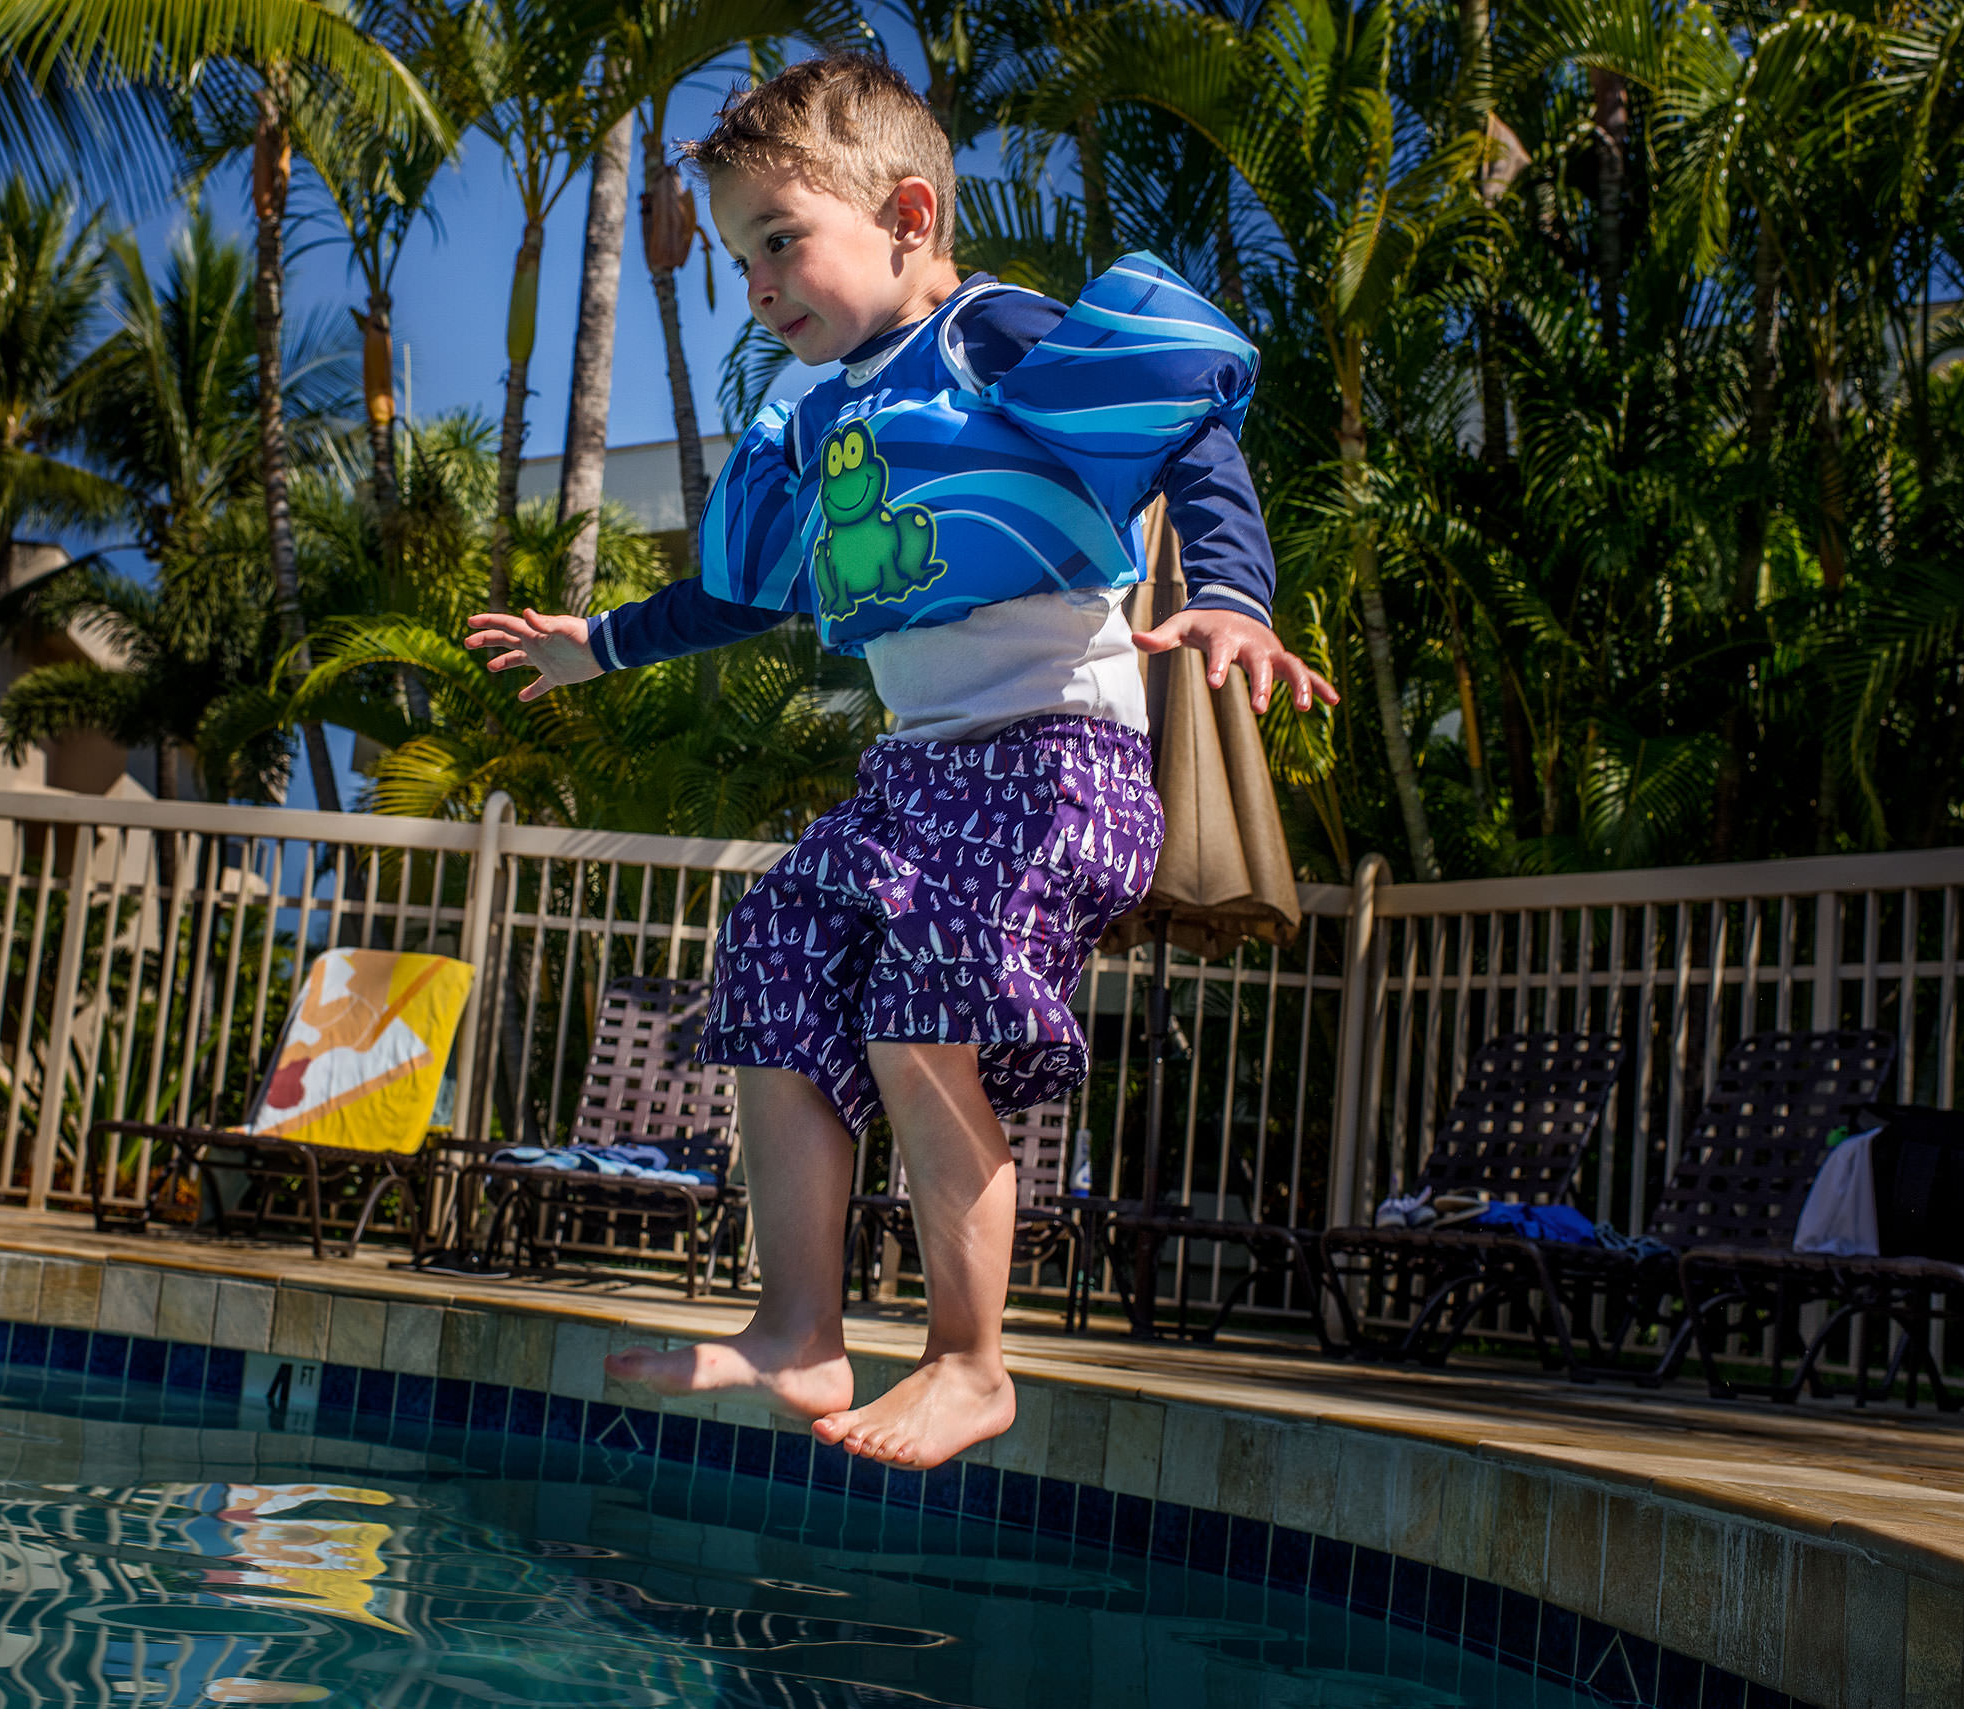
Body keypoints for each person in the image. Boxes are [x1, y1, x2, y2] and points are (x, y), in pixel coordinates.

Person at [466, 55, 1337, 1472]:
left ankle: (970, 1360)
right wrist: (603, 645)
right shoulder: (817, 421)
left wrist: (1233, 595)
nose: (758, 284)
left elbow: (1189, 429)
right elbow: (741, 596)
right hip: (921, 781)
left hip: (1059, 759)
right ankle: (800, 1325)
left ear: (910, 215)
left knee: (924, 986)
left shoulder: (992, 337)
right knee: (772, 956)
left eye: (780, 240)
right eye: (744, 258)